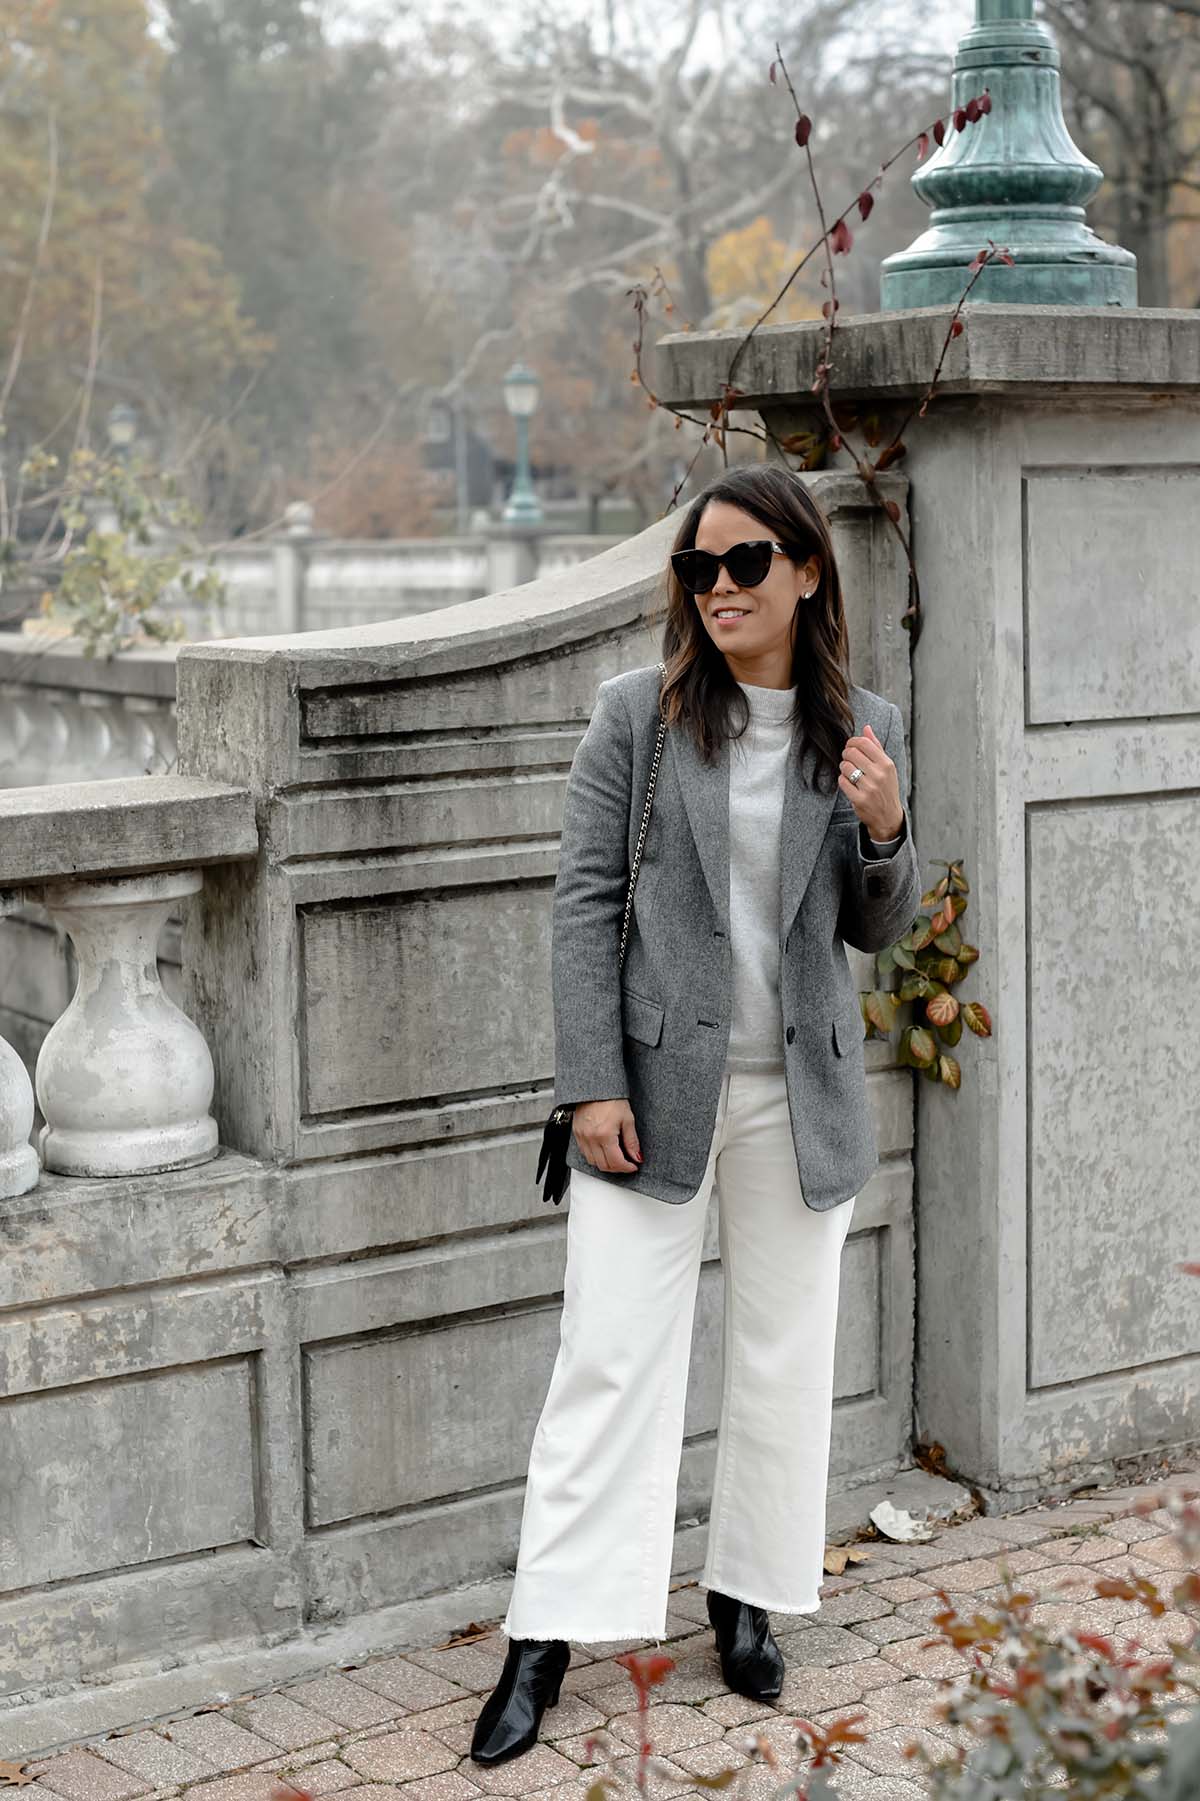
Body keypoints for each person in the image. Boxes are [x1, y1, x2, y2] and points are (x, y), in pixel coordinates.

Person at [471, 462, 922, 1766]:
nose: (716, 588)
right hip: (653, 1088)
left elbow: (871, 927)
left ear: (805, 571)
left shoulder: (862, 724)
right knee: (608, 1353)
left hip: (803, 1089)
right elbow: (578, 906)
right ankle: (546, 1636)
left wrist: (888, 830)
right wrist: (589, 1078)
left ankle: (747, 1598)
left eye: (741, 565)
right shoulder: (639, 715)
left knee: (784, 1354)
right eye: (696, 568)